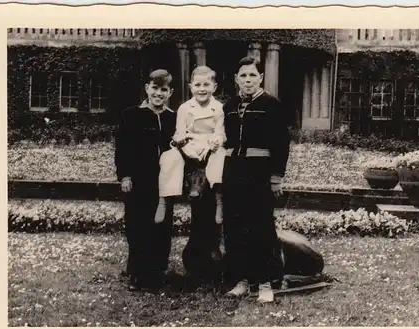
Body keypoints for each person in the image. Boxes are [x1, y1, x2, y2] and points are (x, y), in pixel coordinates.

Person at [221, 56, 291, 303]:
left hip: (259, 174)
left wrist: (276, 177)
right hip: (233, 172)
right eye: (243, 75)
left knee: (260, 227)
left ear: (261, 77)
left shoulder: (272, 105)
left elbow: (281, 144)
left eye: (252, 75)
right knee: (234, 227)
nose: (248, 80)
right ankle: (241, 280)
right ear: (236, 79)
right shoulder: (229, 106)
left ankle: (265, 284)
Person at [114, 69, 176, 292]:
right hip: (139, 180)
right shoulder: (131, 115)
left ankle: (157, 272)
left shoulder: (173, 118)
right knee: (137, 225)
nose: (158, 93)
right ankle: (137, 273)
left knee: (161, 226)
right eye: (155, 88)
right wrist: (125, 176)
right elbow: (122, 149)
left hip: (165, 182)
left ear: (170, 92)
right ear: (147, 89)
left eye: (164, 90)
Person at [154, 65, 226, 225]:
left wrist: (216, 141)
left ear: (214, 87)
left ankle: (219, 199)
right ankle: (164, 198)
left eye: (206, 85)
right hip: (189, 144)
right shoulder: (184, 108)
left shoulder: (219, 108)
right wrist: (180, 141)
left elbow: (220, 132)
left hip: (209, 145)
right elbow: (179, 132)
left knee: (219, 157)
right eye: (198, 85)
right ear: (191, 87)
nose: (202, 89)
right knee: (169, 157)